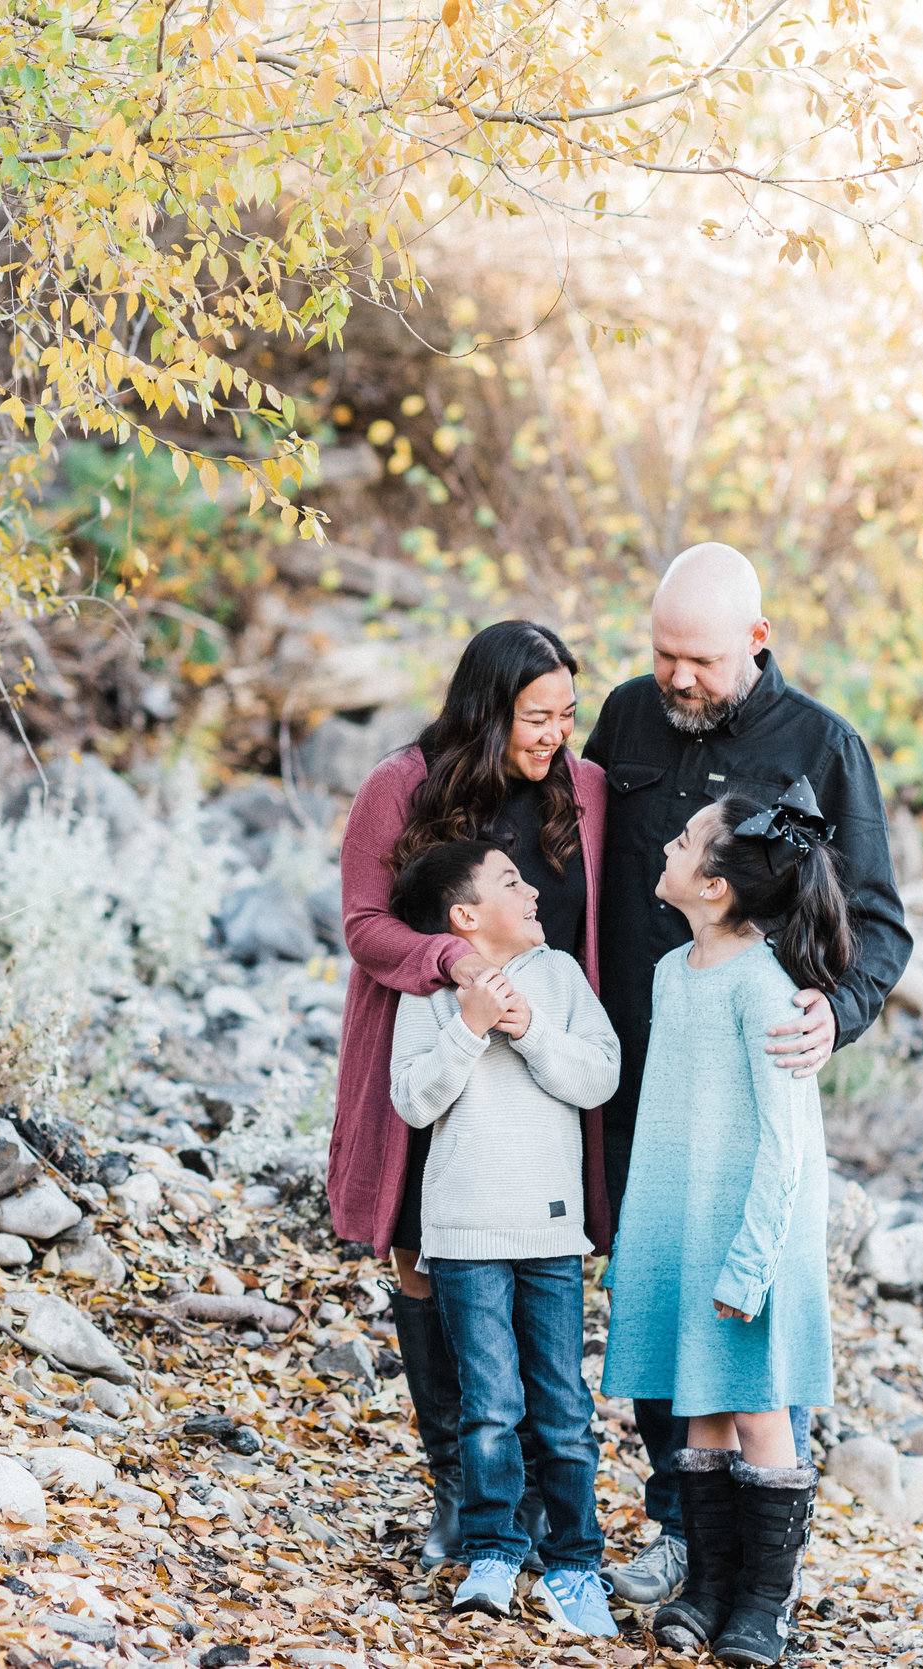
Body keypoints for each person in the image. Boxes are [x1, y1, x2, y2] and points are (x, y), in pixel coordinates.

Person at [579, 544, 910, 1602]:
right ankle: (678, 1521)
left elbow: (880, 925)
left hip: (750, 1079)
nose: (678, 678)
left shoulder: (823, 744)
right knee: (663, 1288)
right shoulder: (628, 718)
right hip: (633, 1070)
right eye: (664, 652)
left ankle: (747, 1567)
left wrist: (836, 1011)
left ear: (756, 643)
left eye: (703, 660)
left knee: (747, 1309)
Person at [327, 620, 612, 1570]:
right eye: (537, 717)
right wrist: (452, 964)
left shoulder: (583, 791)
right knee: (420, 1250)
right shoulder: (399, 785)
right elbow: (366, 925)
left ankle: (530, 1498)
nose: (556, 736)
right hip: (430, 1043)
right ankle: (457, 1481)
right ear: (488, 711)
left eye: (570, 714)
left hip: (541, 1078)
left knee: (536, 1274)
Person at [600, 786, 846, 1666]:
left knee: (755, 1402)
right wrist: (639, 1242)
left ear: (714, 886)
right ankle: (705, 1585)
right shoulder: (675, 973)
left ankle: (762, 1603)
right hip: (685, 1219)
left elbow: (786, 1147)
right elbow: (668, 1119)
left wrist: (751, 1263)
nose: (666, 845)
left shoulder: (766, 987)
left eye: (683, 840)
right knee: (695, 1399)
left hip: (753, 1231)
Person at [387, 840, 622, 1635]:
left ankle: (575, 1562)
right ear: (465, 916)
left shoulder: (558, 975)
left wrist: (529, 1033)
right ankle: (493, 1549)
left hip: (550, 1229)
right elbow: (413, 1101)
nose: (532, 892)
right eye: (511, 882)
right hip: (462, 1231)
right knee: (488, 1406)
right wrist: (469, 1027)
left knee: (560, 1406)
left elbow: (601, 1072)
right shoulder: (429, 995)